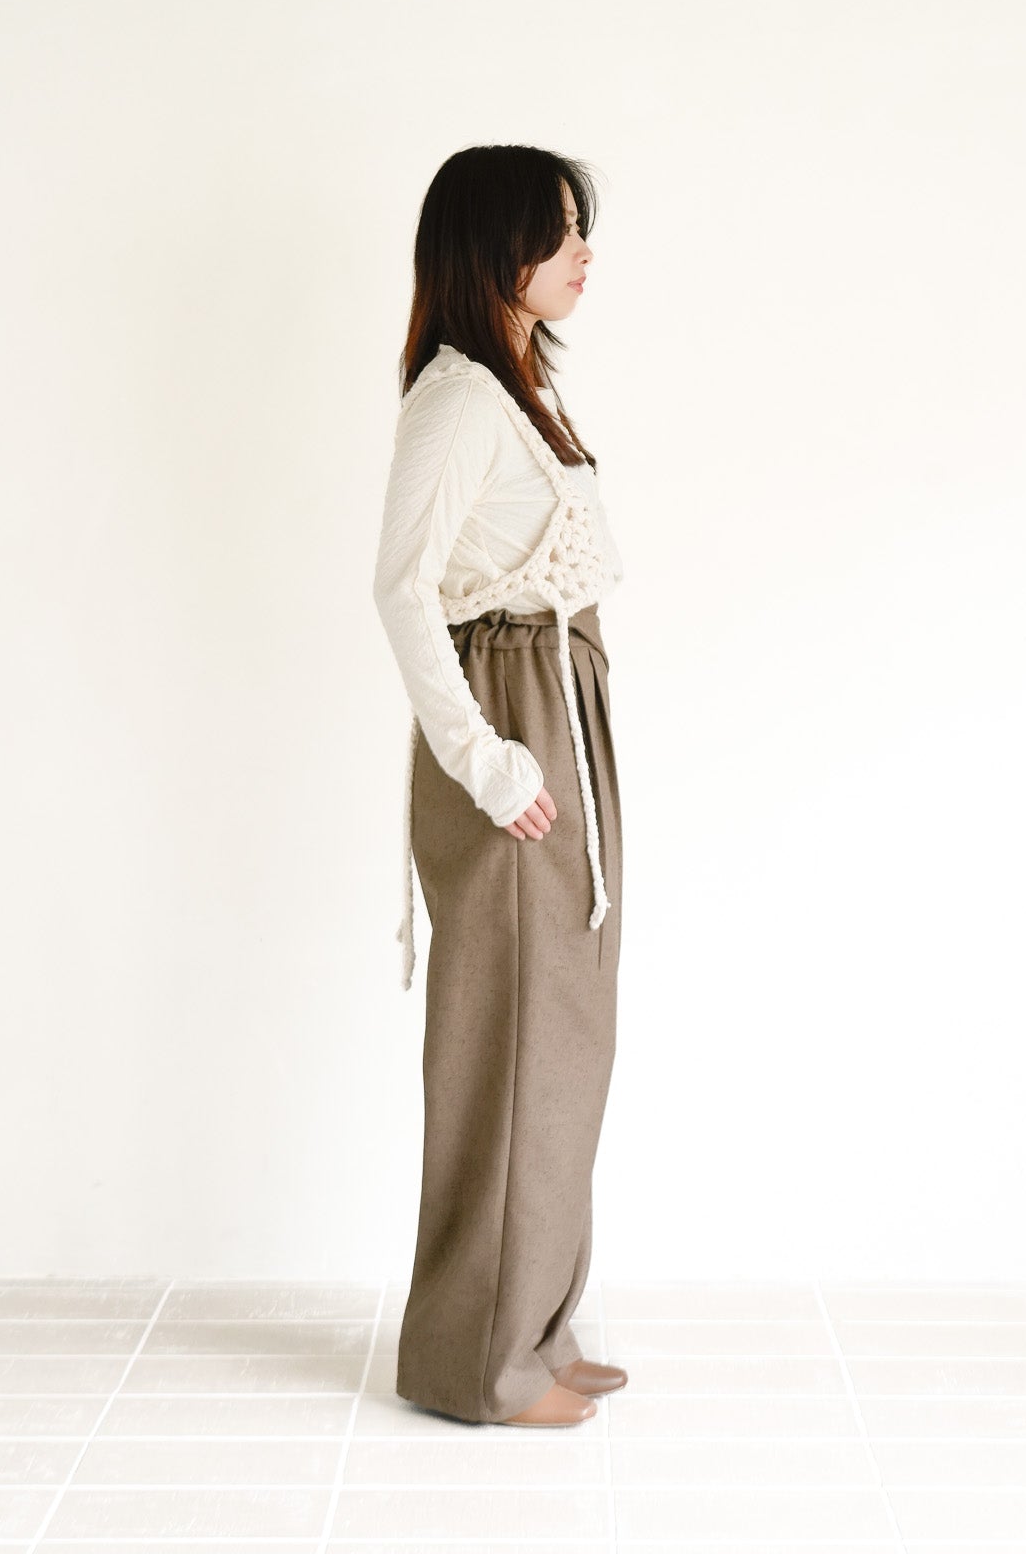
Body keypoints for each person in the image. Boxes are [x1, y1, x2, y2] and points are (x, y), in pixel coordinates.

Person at [371, 145, 629, 1428]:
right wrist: (484, 756)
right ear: (495, 247)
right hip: (513, 715)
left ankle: (534, 1324)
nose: (584, 250)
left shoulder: (517, 387)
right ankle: (480, 1359)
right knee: (508, 1039)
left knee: (565, 1030)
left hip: (560, 698)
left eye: (582, 226)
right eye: (559, 229)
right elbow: (400, 586)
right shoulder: (460, 397)